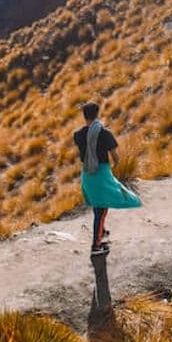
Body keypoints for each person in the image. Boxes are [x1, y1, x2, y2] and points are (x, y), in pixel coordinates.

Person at [73, 101, 141, 256]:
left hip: (87, 174)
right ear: (97, 114)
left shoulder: (77, 135)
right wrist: (115, 167)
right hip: (101, 173)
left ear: (84, 116)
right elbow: (116, 158)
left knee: (97, 205)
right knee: (101, 210)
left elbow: (83, 151)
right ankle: (96, 246)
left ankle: (101, 232)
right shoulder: (104, 133)